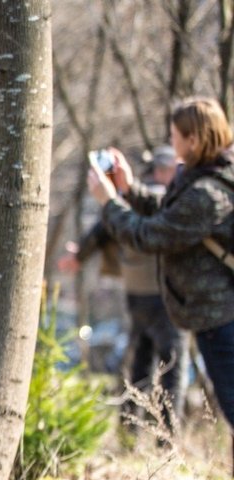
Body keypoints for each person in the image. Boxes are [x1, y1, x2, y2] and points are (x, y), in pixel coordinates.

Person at [87, 96, 234, 480]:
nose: (170, 141)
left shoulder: (209, 191)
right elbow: (167, 213)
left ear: (193, 137)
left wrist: (107, 203)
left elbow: (152, 236)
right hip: (211, 313)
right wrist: (128, 188)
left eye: (175, 135)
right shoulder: (205, 177)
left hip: (222, 316)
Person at [60, 146, 186, 437]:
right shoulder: (163, 199)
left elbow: (103, 227)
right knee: (172, 368)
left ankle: (129, 432)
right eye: (175, 168)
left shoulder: (129, 198)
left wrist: (78, 256)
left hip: (135, 294)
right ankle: (168, 441)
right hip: (167, 295)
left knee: (139, 363)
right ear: (163, 170)